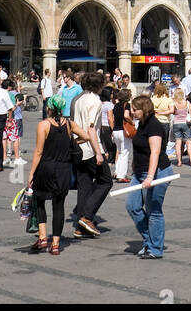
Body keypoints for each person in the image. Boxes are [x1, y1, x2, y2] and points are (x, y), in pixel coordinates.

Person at [26, 94, 90, 254]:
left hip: (46, 168)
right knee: (59, 205)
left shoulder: (43, 125)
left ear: (49, 108)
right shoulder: (69, 124)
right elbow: (87, 136)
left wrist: (31, 173)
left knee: (39, 200)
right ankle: (55, 244)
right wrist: (72, 143)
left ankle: (42, 237)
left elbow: (39, 151)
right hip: (64, 170)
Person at [124, 94, 175, 259]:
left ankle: (155, 248)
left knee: (153, 211)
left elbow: (155, 152)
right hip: (139, 172)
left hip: (157, 172)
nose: (132, 111)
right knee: (132, 206)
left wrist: (150, 177)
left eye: (134, 109)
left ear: (143, 110)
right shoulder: (142, 123)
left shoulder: (154, 126)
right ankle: (149, 240)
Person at [72, 70, 113, 238]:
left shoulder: (78, 99)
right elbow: (91, 129)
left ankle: (80, 226)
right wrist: (99, 152)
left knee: (85, 185)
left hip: (77, 146)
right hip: (89, 147)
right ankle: (87, 216)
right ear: (99, 85)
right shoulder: (95, 101)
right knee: (106, 181)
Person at [169, 88, 191, 168]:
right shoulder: (187, 103)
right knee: (188, 142)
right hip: (185, 123)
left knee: (178, 143)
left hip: (176, 123)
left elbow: (173, 112)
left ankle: (179, 161)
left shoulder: (174, 103)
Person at [112, 88, 134, 182]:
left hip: (115, 130)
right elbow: (126, 115)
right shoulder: (127, 105)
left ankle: (117, 172)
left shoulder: (116, 105)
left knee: (120, 152)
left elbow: (113, 118)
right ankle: (122, 175)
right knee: (125, 153)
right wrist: (131, 122)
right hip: (123, 131)